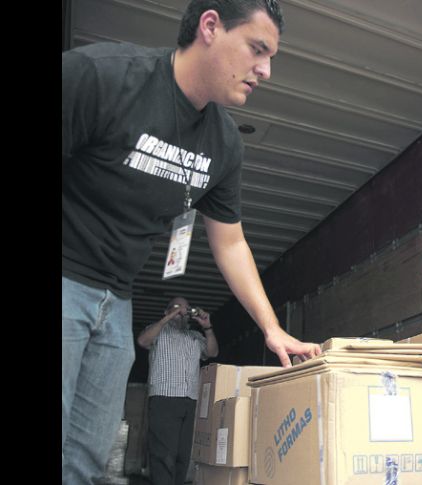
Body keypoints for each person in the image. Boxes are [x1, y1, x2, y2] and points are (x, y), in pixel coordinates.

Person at [62, 1, 321, 482]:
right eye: (257, 49)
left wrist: (270, 327)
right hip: (65, 277)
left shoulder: (224, 142)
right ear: (209, 26)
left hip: (117, 298)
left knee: (86, 457)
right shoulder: (102, 76)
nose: (265, 70)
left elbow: (230, 244)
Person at [136, 297, 218, 485]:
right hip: (164, 399)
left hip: (189, 401)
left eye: (186, 309)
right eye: (176, 308)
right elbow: (142, 340)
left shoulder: (195, 337)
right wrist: (169, 316)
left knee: (183, 456)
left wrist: (207, 327)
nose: (182, 312)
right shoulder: (157, 332)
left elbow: (213, 352)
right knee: (163, 455)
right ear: (166, 312)